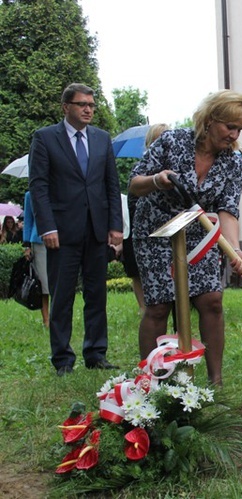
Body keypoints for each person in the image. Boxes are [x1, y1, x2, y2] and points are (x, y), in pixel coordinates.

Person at [129, 90, 242, 386]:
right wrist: (158, 180)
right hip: (157, 231)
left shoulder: (234, 162)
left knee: (212, 300)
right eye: (229, 127)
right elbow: (134, 183)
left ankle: (215, 382)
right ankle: (151, 381)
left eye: (239, 129)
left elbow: (227, 209)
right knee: (159, 305)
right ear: (209, 121)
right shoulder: (172, 142)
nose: (234, 135)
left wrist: (234, 248)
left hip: (199, 233)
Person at [28, 83, 123, 376]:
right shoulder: (45, 138)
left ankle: (96, 353)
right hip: (62, 232)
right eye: (82, 104)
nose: (88, 110)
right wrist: (47, 226)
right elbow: (39, 185)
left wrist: (115, 226)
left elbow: (111, 183)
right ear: (66, 107)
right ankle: (63, 360)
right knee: (62, 296)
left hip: (96, 229)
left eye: (92, 105)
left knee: (97, 294)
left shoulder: (101, 138)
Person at [122, 123, 169, 316]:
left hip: (169, 231)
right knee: (138, 273)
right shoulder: (141, 170)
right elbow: (133, 201)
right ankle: (144, 307)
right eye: (159, 138)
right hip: (142, 229)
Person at [21, 191, 50, 327]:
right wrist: (26, 245)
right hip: (39, 241)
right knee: (43, 283)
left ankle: (59, 316)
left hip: (61, 239)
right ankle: (46, 319)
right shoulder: (30, 195)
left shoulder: (60, 187)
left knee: (59, 282)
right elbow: (28, 220)